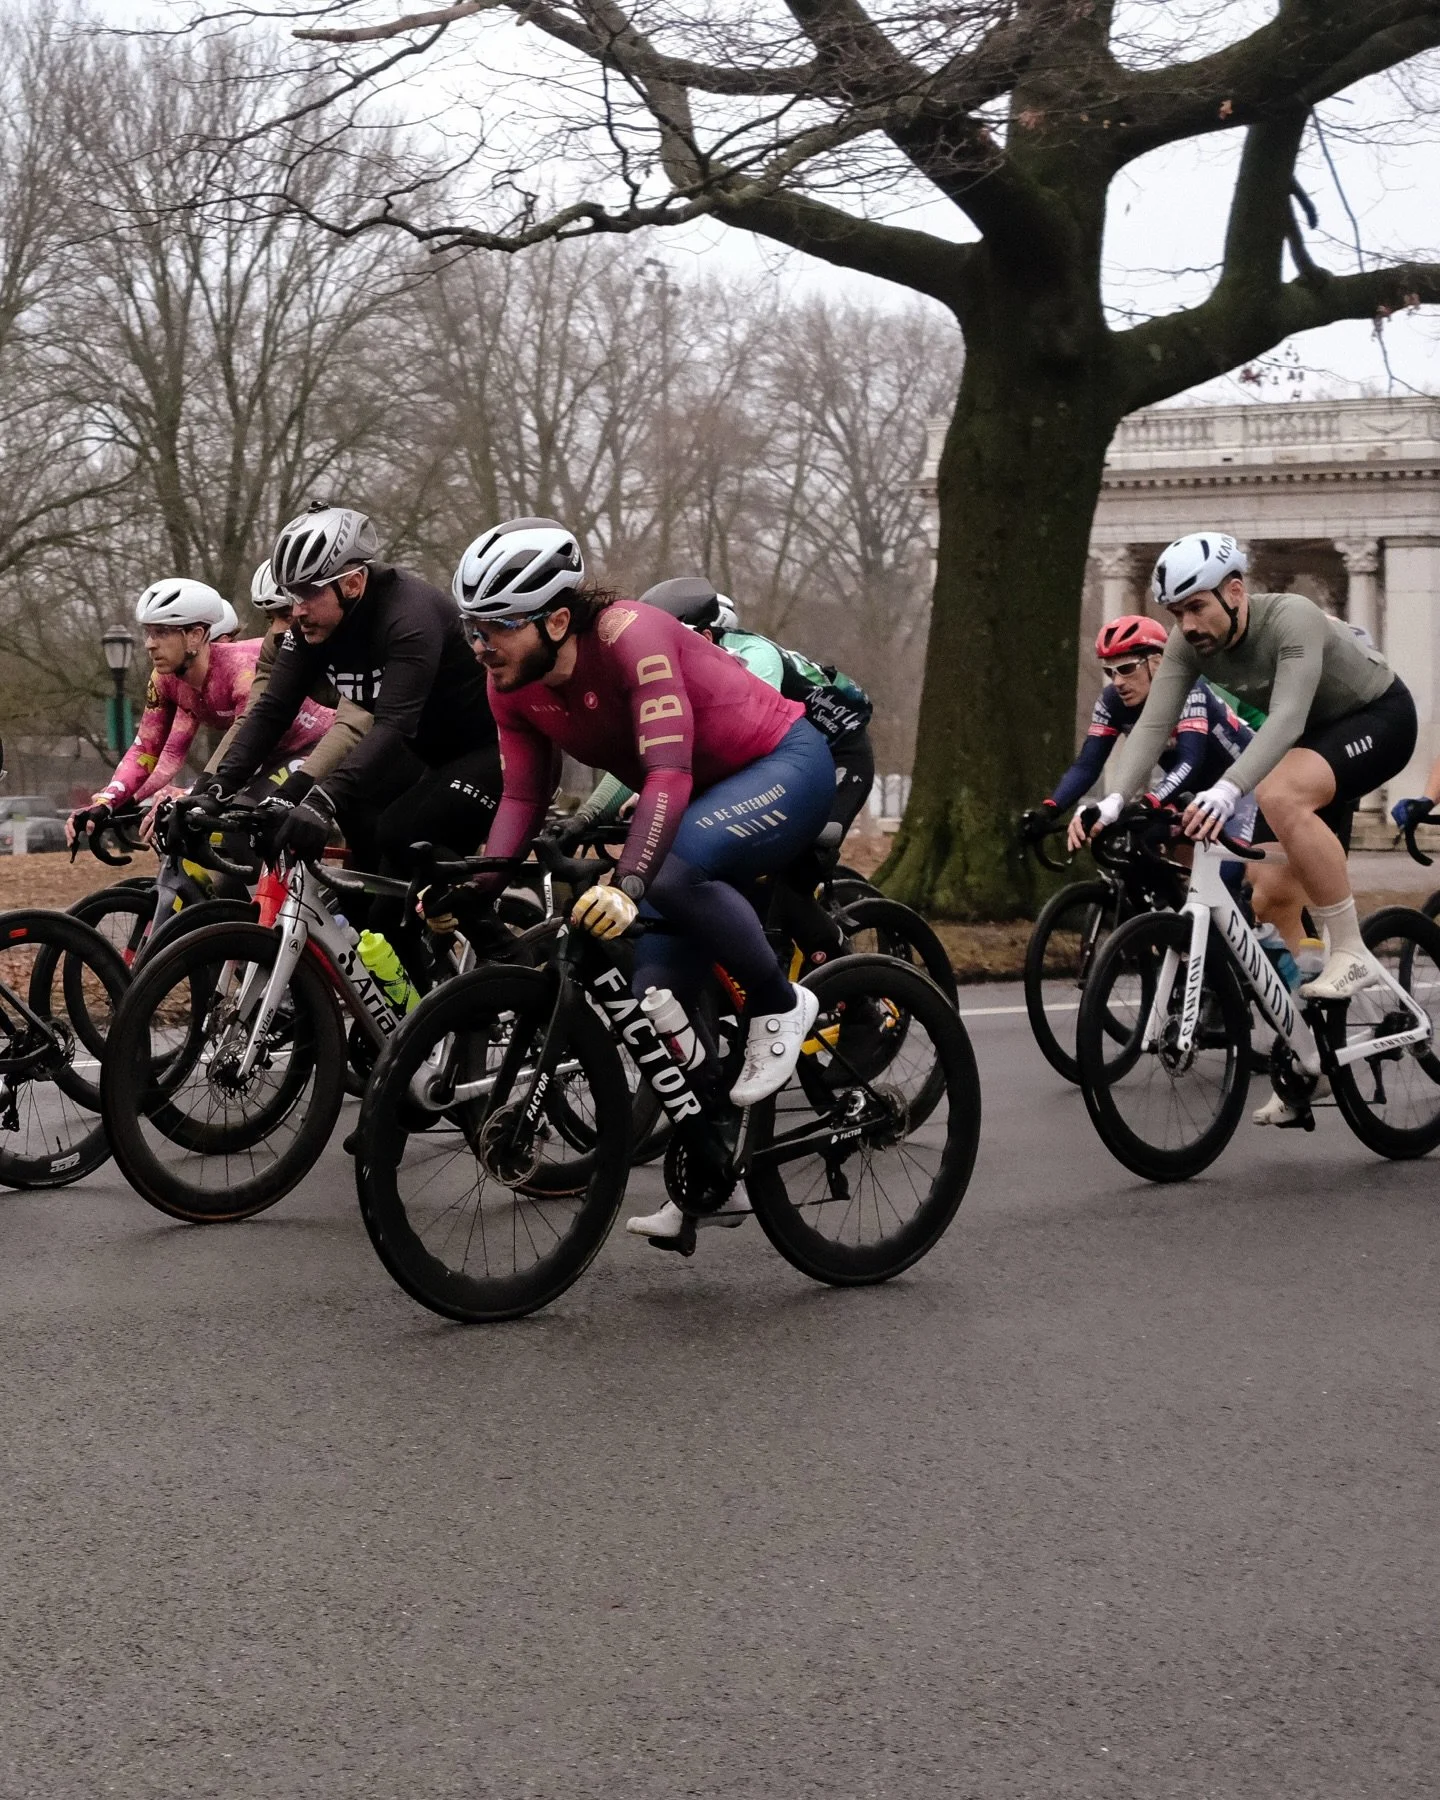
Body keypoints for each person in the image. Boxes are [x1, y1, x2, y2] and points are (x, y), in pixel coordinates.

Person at [445, 517, 835, 1234]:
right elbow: (524, 798)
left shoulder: (633, 635)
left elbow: (667, 773)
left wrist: (627, 884)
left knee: (671, 873)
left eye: (497, 626)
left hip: (782, 763)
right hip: (697, 800)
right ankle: (717, 1172)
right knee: (657, 1005)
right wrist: (475, 888)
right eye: (473, 626)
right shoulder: (510, 685)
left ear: (556, 620)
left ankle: (780, 1003)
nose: (480, 644)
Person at [1092, 533, 1417, 1003]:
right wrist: (1114, 799)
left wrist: (1228, 789)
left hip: (1378, 717)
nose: (1188, 625)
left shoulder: (1291, 618)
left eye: (1197, 607)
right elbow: (1153, 725)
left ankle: (1351, 950)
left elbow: (1287, 718)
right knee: (1268, 894)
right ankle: (1309, 1024)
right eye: (1177, 613)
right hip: (1312, 739)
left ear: (1235, 591)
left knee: (1280, 793)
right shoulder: (1188, 645)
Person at [208, 504, 502, 894]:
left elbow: (394, 724)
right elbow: (272, 710)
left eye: (309, 592)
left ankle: (487, 929)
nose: (297, 609)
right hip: (424, 754)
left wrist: (320, 799)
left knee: (399, 835)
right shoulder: (313, 625)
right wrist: (214, 789)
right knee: (360, 858)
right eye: (292, 593)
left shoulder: (408, 618)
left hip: (488, 751)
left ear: (352, 584)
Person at [66, 578, 334, 849]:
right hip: (263, 755)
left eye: (161, 633)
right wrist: (108, 801)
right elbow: (150, 751)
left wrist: (190, 793)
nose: (149, 644)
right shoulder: (165, 680)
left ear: (194, 635)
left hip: (314, 744)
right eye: (148, 633)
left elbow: (247, 744)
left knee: (244, 819)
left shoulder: (240, 671)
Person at [1019, 615, 1257, 853]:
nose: (1118, 682)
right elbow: (1087, 765)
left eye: (1126, 668)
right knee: (1138, 847)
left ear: (1157, 663)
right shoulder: (1112, 702)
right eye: (1110, 672)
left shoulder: (1187, 689)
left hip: (1247, 784)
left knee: (1228, 864)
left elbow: (1189, 761)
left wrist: (1146, 804)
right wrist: (1049, 811)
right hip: (1191, 792)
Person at [206, 561, 372, 789]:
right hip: (312, 743)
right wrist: (207, 784)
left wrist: (292, 793)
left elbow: (351, 727)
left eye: (286, 615)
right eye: (270, 619)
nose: (276, 630)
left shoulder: (359, 640)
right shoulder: (275, 644)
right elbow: (253, 716)